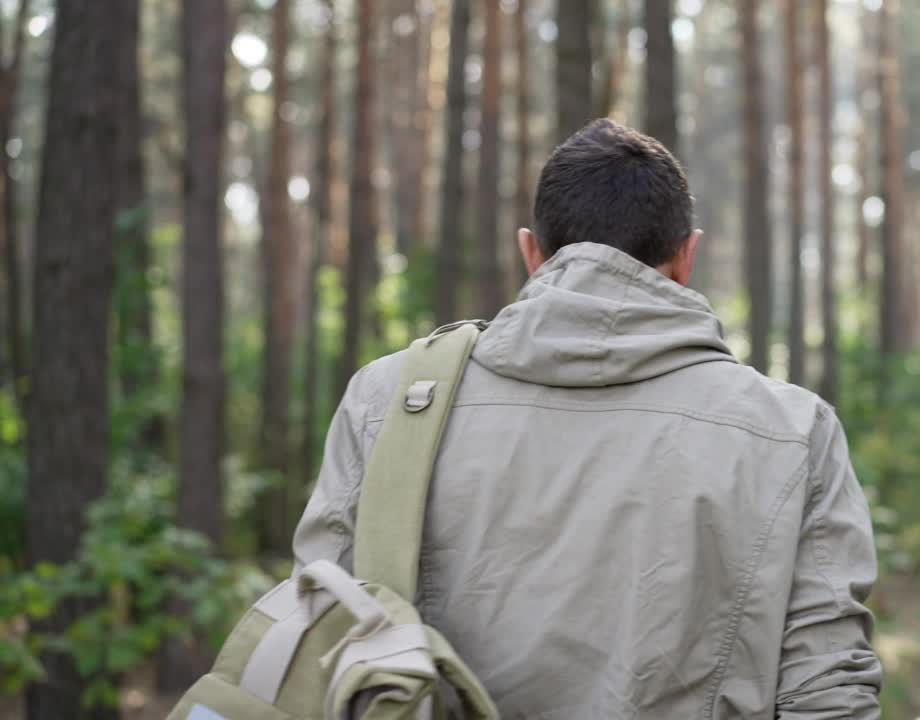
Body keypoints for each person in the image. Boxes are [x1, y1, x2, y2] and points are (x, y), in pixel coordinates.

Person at [294, 119, 882, 718]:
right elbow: (827, 688)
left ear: (532, 253)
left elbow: (319, 639)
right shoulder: (791, 429)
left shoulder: (390, 399)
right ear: (686, 256)